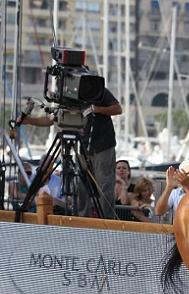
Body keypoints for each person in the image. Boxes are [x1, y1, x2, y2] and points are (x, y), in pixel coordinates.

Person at [18, 88, 122, 219]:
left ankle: (108, 222)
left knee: (104, 185)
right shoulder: (66, 95)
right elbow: (50, 120)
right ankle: (82, 220)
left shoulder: (97, 89)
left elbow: (118, 109)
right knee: (81, 186)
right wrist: (27, 120)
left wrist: (95, 109)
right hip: (83, 147)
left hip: (102, 146)